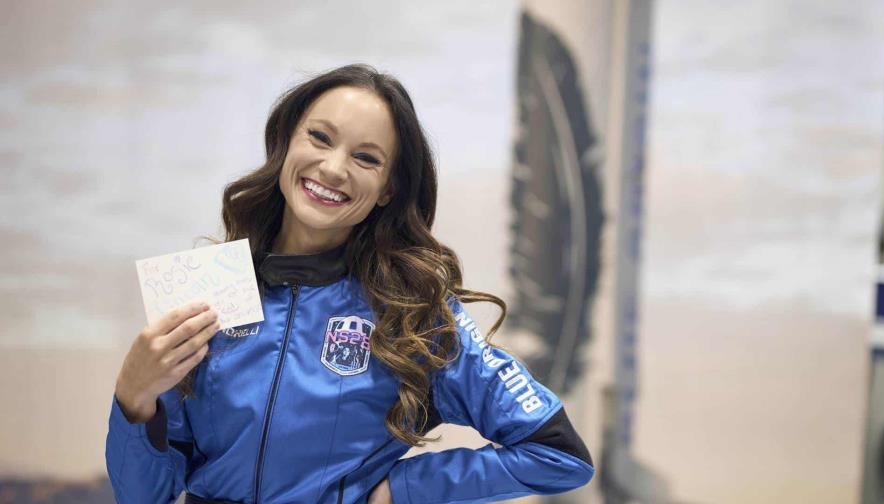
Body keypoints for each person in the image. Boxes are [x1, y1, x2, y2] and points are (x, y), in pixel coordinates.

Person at [106, 63, 595, 504]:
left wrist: (404, 490)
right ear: (285, 144)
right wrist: (134, 398)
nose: (334, 168)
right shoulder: (209, 286)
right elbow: (143, 495)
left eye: (366, 158)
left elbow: (558, 453)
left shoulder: (412, 312)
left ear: (389, 190)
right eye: (319, 137)